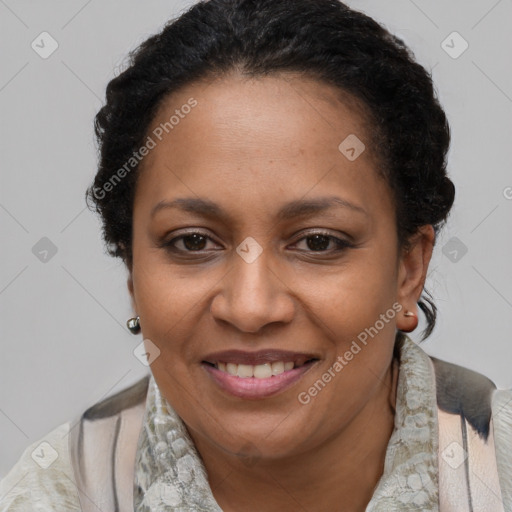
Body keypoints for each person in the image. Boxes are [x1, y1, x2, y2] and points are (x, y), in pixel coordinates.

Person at [1, 0, 510, 510]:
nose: (250, 308)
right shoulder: (52, 496)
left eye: (317, 242)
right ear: (132, 270)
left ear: (408, 270)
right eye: (193, 241)